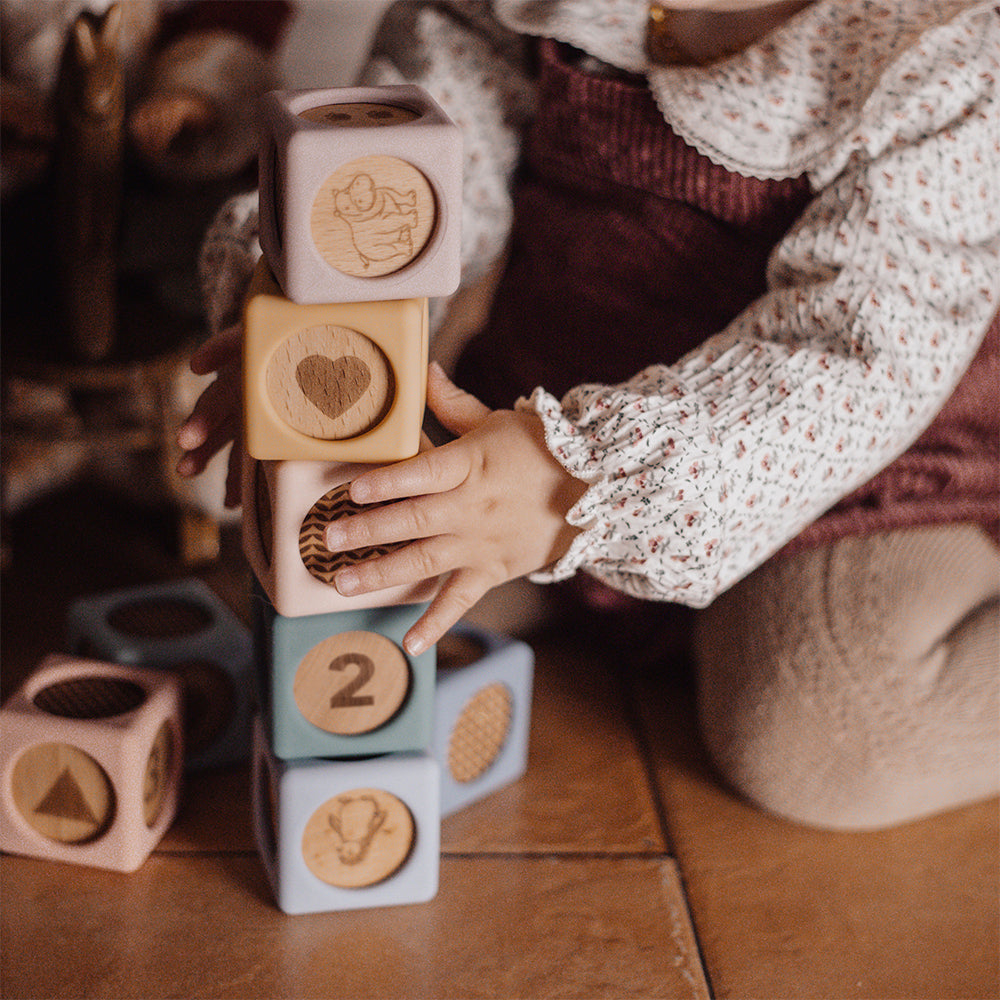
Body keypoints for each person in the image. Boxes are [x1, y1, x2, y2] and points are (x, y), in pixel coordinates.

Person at [176, 0, 999, 830]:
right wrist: (313, 310)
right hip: (541, 408)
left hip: (855, 474)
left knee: (826, 733)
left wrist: (588, 479)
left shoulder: (940, 54)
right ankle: (588, 558)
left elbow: (852, 351)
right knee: (341, 587)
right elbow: (424, 161)